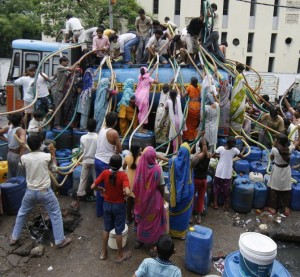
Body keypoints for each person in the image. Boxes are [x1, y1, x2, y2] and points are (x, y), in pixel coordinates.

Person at [10, 135, 72, 248]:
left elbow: (20, 164)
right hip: (45, 191)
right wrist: (53, 155)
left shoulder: (25, 158)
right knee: (55, 213)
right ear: (40, 145)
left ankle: (14, 237)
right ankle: (59, 240)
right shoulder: (46, 156)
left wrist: (23, 150)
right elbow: (54, 169)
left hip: (30, 192)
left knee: (22, 213)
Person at [91, 154, 132, 262]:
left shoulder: (105, 173)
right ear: (119, 166)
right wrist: (125, 196)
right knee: (119, 230)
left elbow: (92, 186)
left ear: (110, 163)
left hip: (107, 204)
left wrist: (100, 189)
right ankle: (119, 255)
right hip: (119, 206)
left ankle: (104, 252)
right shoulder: (123, 175)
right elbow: (128, 191)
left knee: (106, 228)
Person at [133, 146, 166, 256]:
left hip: (140, 198)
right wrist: (162, 198)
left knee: (141, 220)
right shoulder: (157, 168)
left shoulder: (140, 165)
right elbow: (161, 186)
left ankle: (140, 240)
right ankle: (152, 245)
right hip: (153, 199)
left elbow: (136, 183)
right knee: (153, 221)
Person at [94, 112, 122, 216]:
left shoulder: (101, 129)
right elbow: (119, 149)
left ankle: (99, 212)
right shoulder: (114, 133)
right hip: (106, 163)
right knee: (109, 189)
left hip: (97, 160)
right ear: (115, 122)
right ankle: (108, 212)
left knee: (100, 187)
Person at [266, 134, 300, 216]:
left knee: (274, 189)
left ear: (278, 141)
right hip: (286, 170)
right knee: (286, 189)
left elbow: (271, 158)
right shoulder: (289, 149)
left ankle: (273, 208)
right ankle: (286, 208)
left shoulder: (274, 149)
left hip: (277, 170)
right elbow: (297, 143)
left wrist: (274, 145)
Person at [168, 143, 194, 239]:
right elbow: (202, 154)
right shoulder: (190, 162)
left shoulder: (173, 161)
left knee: (174, 211)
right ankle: (182, 233)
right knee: (184, 214)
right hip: (186, 193)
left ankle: (172, 231)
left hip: (175, 192)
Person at [71, 119, 98, 211]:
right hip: (95, 161)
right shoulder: (98, 137)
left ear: (87, 127)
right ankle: (98, 204)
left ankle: (78, 203)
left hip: (86, 160)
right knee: (96, 181)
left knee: (82, 181)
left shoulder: (83, 137)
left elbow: (82, 150)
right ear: (95, 127)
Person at [211, 137, 244, 210]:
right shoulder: (235, 150)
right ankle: (225, 204)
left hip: (219, 172)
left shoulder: (220, 148)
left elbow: (213, 155)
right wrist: (241, 152)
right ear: (233, 144)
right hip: (227, 172)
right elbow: (242, 157)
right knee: (226, 189)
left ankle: (215, 203)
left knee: (216, 188)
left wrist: (220, 156)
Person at [52, 56, 79, 130]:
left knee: (63, 108)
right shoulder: (59, 67)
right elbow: (70, 69)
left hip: (63, 91)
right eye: (66, 61)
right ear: (62, 62)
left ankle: (63, 122)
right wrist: (76, 63)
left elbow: (71, 71)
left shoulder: (64, 70)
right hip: (59, 91)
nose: (67, 63)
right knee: (58, 108)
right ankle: (56, 124)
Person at [0, 113, 26, 179]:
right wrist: (21, 158)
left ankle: (9, 188)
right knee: (19, 177)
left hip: (9, 154)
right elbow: (23, 145)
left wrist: (7, 140)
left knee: (10, 175)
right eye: (22, 118)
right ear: (21, 121)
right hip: (17, 156)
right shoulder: (21, 131)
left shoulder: (8, 127)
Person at [192, 135, 211, 224]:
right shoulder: (208, 155)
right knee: (201, 198)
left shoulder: (197, 156)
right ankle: (199, 217)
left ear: (199, 146)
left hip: (196, 179)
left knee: (191, 198)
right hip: (204, 180)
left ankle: (190, 217)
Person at [135, 66, 159, 133]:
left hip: (139, 96)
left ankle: (141, 128)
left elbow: (149, 74)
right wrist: (157, 77)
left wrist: (154, 68)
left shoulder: (141, 76)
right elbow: (157, 82)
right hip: (144, 97)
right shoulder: (148, 78)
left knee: (141, 112)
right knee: (144, 113)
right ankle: (141, 129)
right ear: (146, 72)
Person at [122, 144, 141, 224]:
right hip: (137, 182)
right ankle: (136, 222)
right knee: (137, 203)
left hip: (128, 180)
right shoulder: (141, 159)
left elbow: (123, 167)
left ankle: (128, 218)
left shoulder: (127, 157)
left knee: (129, 201)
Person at [229, 63, 247, 135]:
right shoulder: (237, 76)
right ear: (237, 69)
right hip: (239, 102)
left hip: (236, 102)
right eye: (241, 70)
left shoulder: (239, 77)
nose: (241, 71)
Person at [182, 77, 201, 142]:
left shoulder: (189, 87)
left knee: (188, 123)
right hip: (198, 106)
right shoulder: (198, 88)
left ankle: (189, 137)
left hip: (191, 106)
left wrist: (180, 91)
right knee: (195, 123)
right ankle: (194, 136)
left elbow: (183, 96)